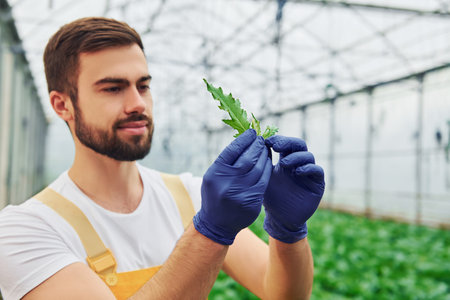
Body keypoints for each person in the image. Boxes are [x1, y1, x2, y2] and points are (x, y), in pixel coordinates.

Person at [0, 17, 325, 300]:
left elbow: (284, 294)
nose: (137, 103)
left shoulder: (190, 195)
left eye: (143, 86)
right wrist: (210, 231)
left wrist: (288, 231)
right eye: (113, 88)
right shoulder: (26, 230)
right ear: (62, 105)